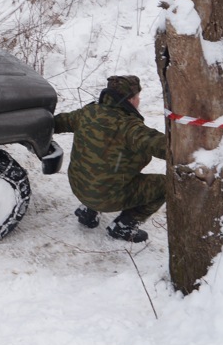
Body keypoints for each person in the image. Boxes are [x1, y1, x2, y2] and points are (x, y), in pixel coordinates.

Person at [53, 75, 166, 242]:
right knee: (164, 186)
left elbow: (56, 123)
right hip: (105, 198)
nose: (138, 101)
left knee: (103, 164)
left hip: (78, 187)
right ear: (130, 99)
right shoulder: (129, 126)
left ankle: (87, 212)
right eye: (137, 97)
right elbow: (165, 147)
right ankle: (123, 227)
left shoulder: (87, 113)